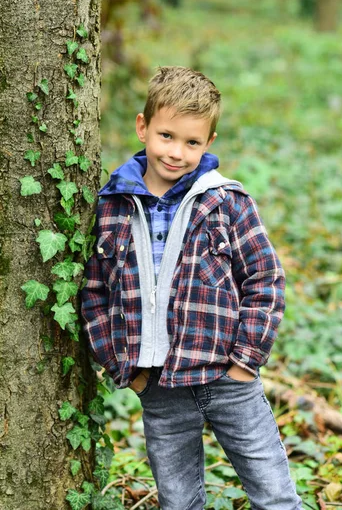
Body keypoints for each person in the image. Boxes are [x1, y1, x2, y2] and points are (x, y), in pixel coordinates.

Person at [81, 66, 302, 510]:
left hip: (226, 374)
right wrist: (128, 371)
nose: (177, 152)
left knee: (273, 491)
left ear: (209, 143)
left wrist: (245, 361)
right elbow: (94, 295)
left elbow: (265, 279)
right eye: (166, 136)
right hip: (158, 383)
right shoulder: (112, 206)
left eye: (192, 142)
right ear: (143, 128)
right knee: (178, 501)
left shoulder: (227, 203)